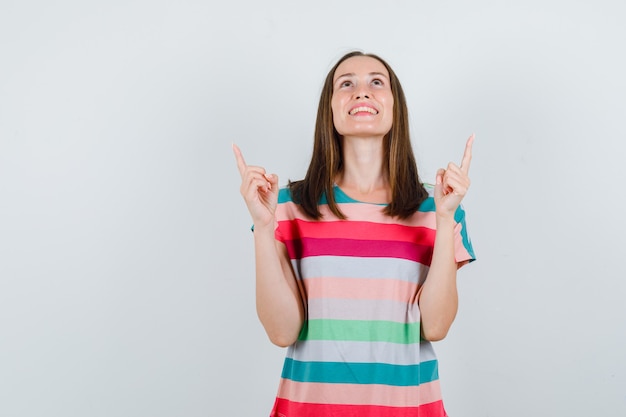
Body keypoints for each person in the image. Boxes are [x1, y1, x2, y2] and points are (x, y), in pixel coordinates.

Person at [233, 50, 476, 417]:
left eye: (377, 82)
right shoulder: (285, 207)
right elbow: (282, 332)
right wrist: (264, 229)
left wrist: (444, 219)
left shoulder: (438, 205)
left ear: (395, 107)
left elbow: (436, 326)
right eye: (346, 84)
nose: (362, 92)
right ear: (329, 109)